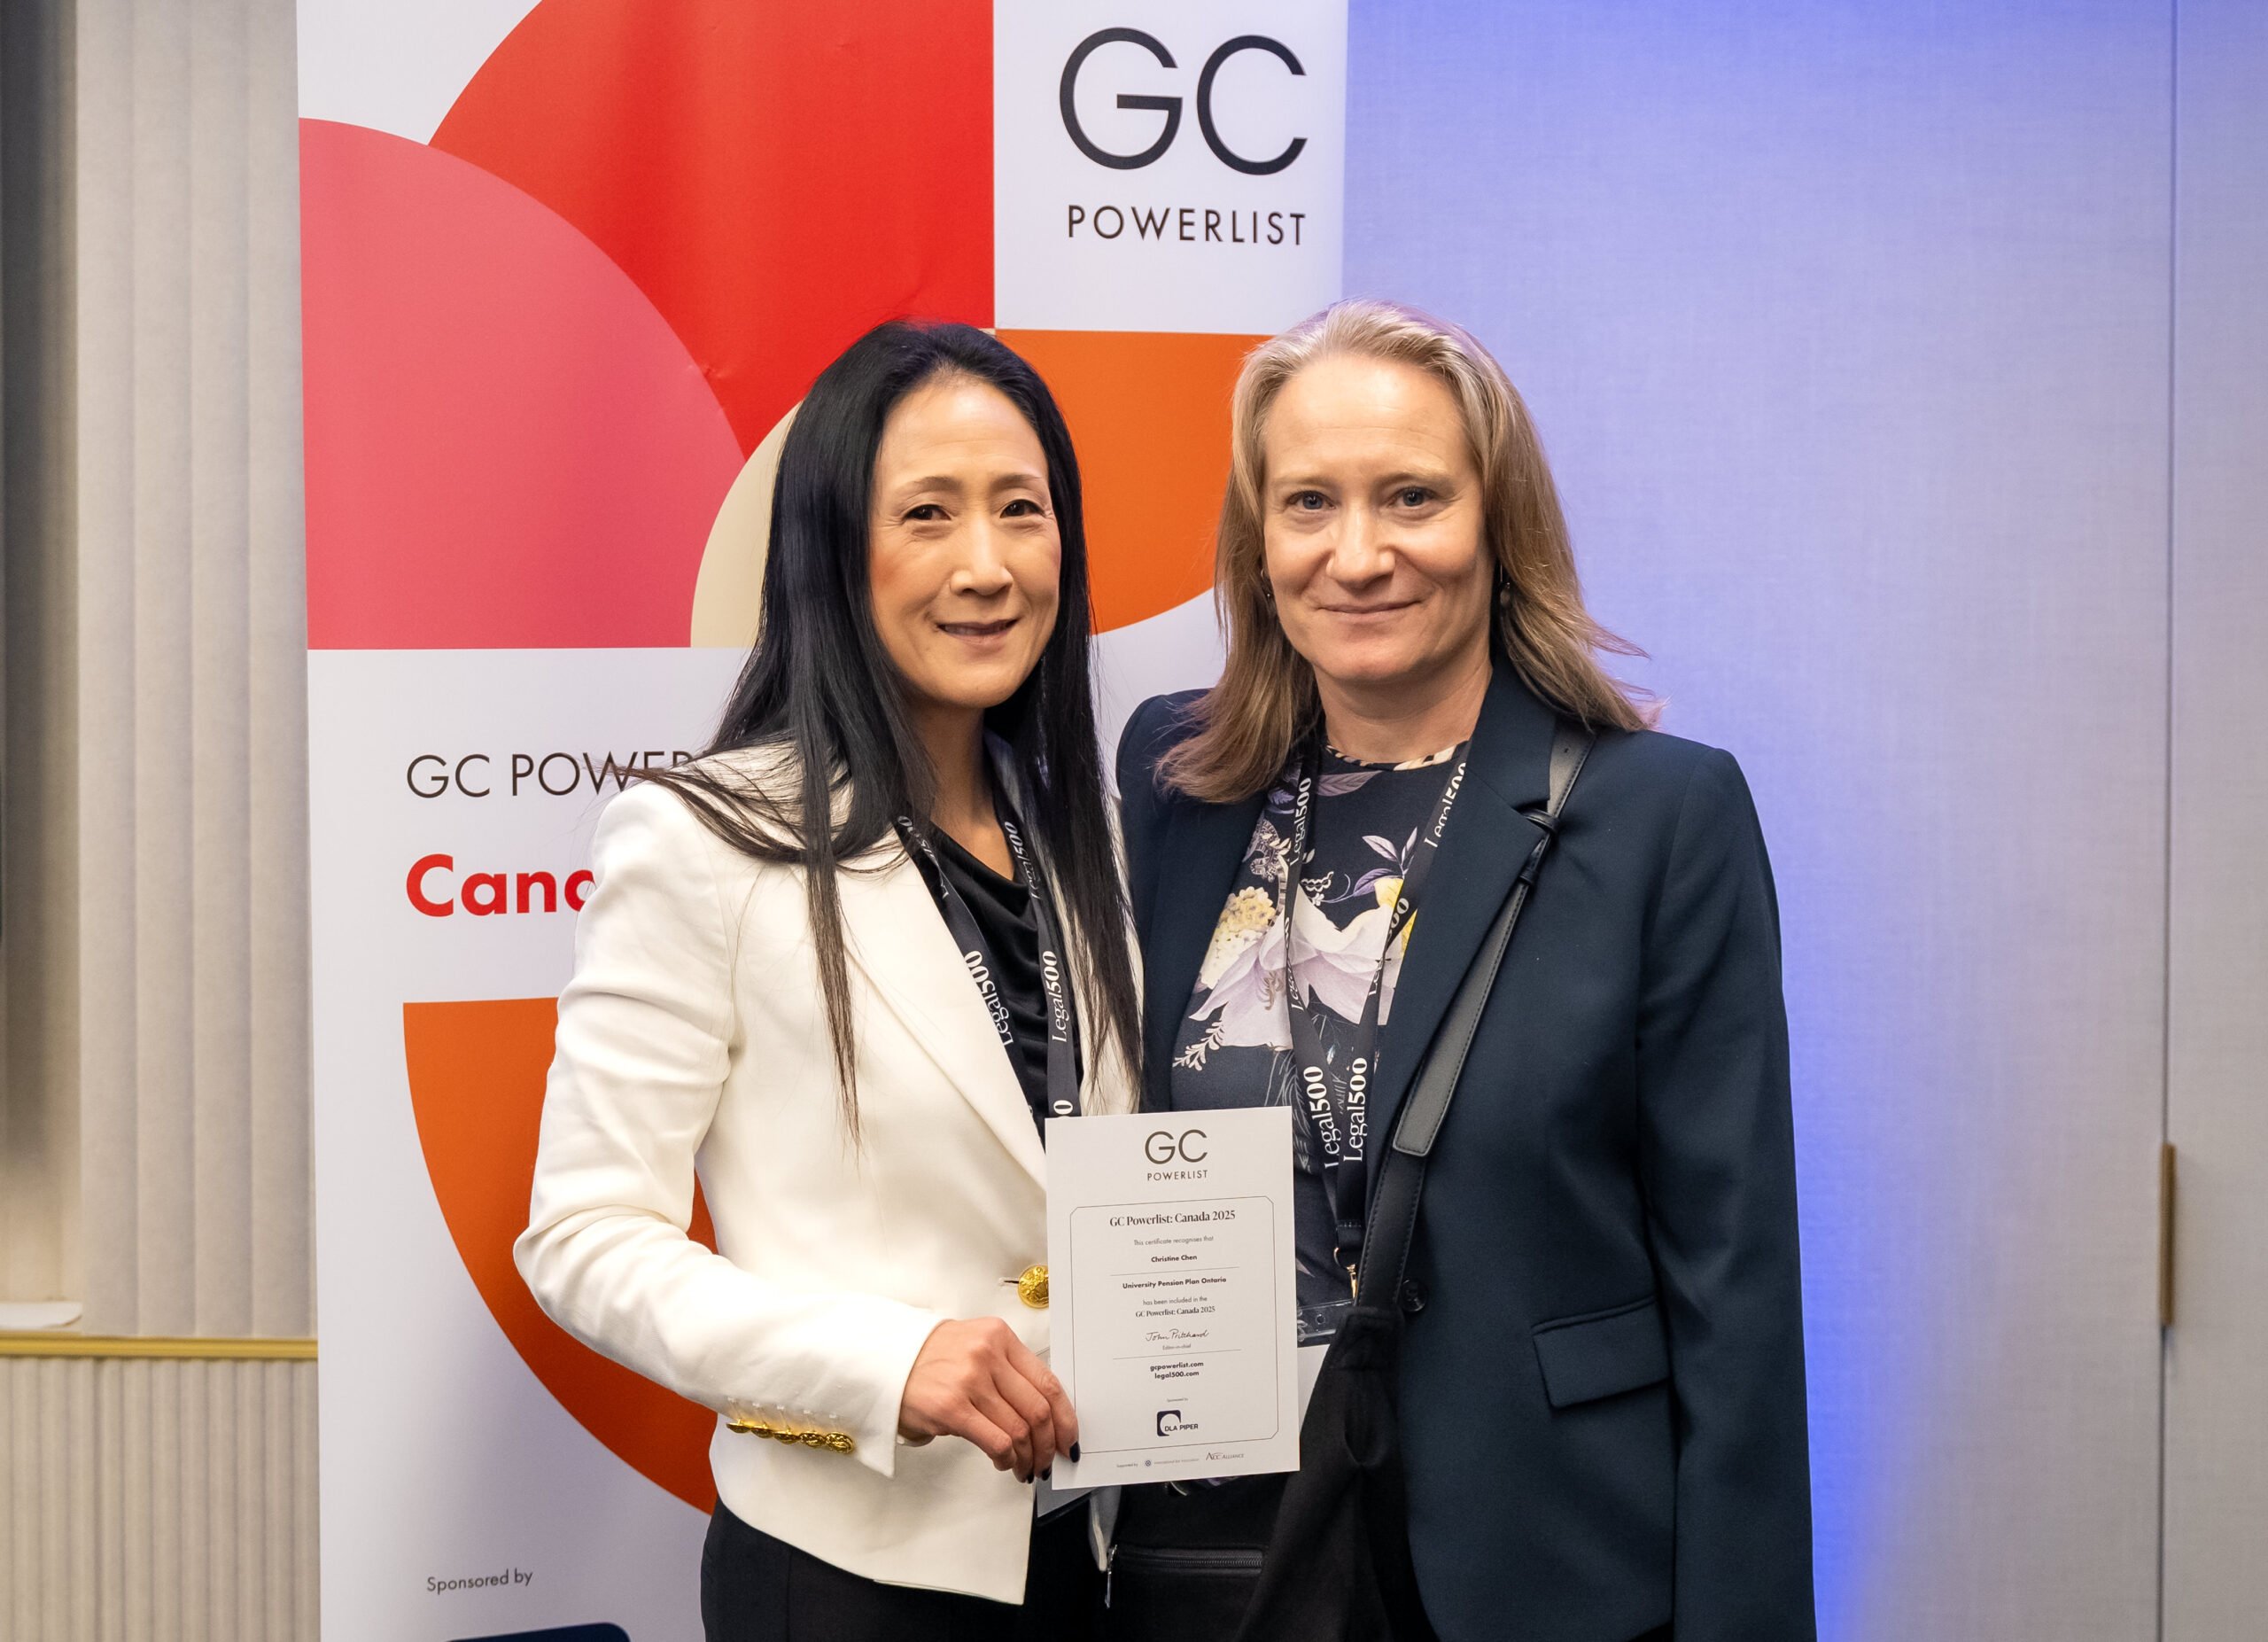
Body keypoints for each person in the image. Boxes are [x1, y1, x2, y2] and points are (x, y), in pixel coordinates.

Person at [1110, 300, 1813, 1641]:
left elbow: (1736, 1288)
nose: (1358, 553)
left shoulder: (1664, 816)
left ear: (1499, 523)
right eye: (1309, 502)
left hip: (1542, 1558)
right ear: (1258, 543)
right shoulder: (1175, 783)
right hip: (1229, 1554)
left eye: (1413, 497)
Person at [517, 320, 1143, 1641]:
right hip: (848, 1575)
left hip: (1088, 1551)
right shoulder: (702, 841)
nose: (986, 565)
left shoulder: (1082, 829)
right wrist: (882, 1361)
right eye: (927, 513)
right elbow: (582, 1237)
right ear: (831, 551)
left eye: (1021, 510)